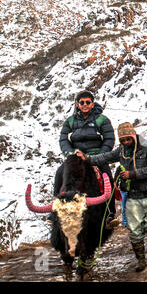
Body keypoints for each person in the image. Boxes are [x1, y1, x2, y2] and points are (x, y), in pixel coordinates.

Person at [76, 122, 147, 272]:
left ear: (133, 136)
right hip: (132, 195)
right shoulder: (121, 151)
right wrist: (87, 159)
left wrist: (132, 174)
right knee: (134, 230)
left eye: (128, 139)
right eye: (123, 140)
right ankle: (141, 260)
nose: (126, 143)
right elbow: (105, 157)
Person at [54, 90, 118, 228]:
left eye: (87, 102)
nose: (84, 105)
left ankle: (110, 213)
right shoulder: (70, 121)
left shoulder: (102, 120)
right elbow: (63, 139)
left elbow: (109, 139)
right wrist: (71, 154)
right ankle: (55, 209)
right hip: (76, 156)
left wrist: (97, 158)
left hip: (97, 155)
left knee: (107, 177)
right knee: (60, 173)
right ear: (77, 104)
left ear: (92, 104)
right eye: (81, 102)